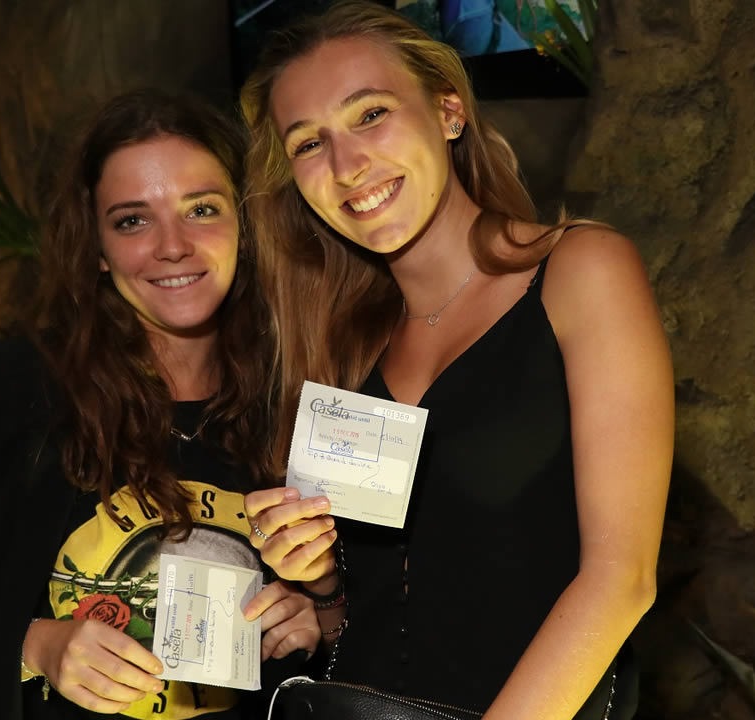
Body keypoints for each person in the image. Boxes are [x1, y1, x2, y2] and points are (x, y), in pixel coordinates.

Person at [236, 2, 673, 718]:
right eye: (309, 143)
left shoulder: (580, 273)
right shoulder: (344, 348)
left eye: (370, 114)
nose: (348, 166)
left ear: (448, 112)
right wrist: (316, 584)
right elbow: (374, 620)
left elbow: (622, 579)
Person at [0, 90, 319, 720]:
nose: (172, 246)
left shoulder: (301, 397)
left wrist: (315, 617)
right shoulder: (10, 394)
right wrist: (38, 644)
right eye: (132, 220)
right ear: (95, 246)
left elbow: (385, 627)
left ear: (246, 227)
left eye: (202, 208)